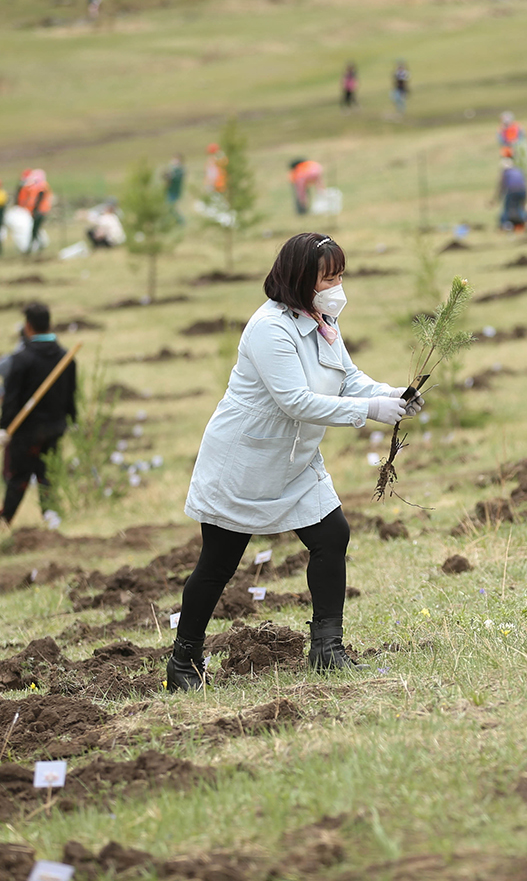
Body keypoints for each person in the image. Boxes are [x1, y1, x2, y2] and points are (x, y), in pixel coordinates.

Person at [169, 233, 420, 688]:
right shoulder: (270, 329)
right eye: (329, 277)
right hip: (244, 463)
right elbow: (295, 402)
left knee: (332, 535)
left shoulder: (322, 321)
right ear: (302, 278)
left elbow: (347, 380)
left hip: (296, 460)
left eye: (340, 275)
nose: (337, 285)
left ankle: (327, 649)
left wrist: (389, 394)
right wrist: (369, 412)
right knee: (218, 565)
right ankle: (183, 662)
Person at [0, 303, 77, 527]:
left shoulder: (22, 360)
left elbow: (11, 398)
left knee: (19, 476)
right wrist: (72, 420)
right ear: (50, 324)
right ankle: (51, 515)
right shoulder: (66, 358)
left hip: (27, 432)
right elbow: (71, 394)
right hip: (55, 427)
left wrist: (4, 427)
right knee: (48, 473)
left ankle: (4, 520)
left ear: (28, 327)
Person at [16, 170, 52, 252]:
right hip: (38, 211)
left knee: (34, 230)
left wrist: (35, 211)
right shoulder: (38, 187)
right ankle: (36, 246)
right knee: (35, 230)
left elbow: (39, 200)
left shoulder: (42, 187)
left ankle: (33, 247)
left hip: (40, 212)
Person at [493, 157, 527, 231]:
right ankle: (526, 223)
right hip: (522, 190)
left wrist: (497, 198)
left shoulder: (506, 172)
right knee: (520, 208)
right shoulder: (518, 170)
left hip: (512, 190)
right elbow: (525, 183)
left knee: (507, 209)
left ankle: (505, 225)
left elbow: (501, 186)